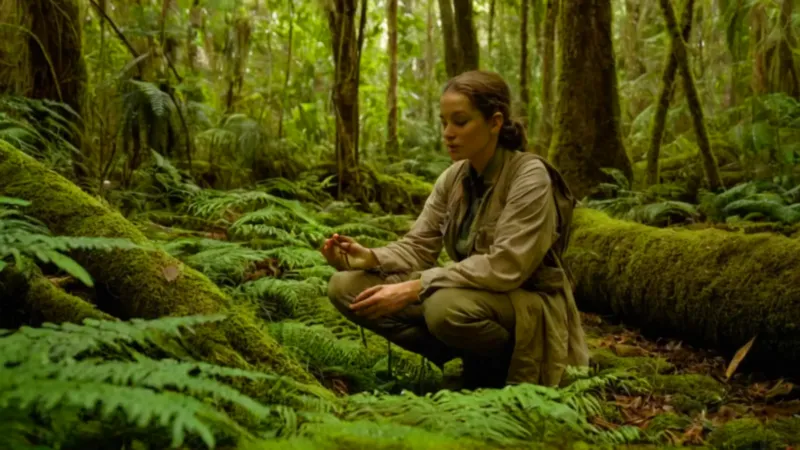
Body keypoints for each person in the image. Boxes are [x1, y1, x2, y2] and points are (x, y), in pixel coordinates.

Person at [321, 70, 589, 389]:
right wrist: (368, 257)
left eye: (460, 122)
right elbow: (418, 246)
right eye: (444, 122)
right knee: (346, 287)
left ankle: (497, 371)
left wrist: (417, 287)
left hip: (527, 301)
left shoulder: (529, 175)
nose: (448, 133)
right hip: (466, 294)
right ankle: (462, 359)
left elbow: (507, 265)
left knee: (443, 307)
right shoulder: (454, 178)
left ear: (495, 122)